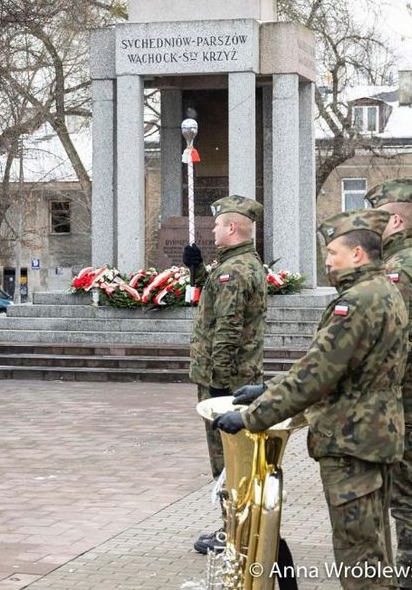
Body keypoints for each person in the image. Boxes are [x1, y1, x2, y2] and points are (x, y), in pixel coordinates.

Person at [214, 209, 407, 590]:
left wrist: (254, 417)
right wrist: (268, 388)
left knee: (359, 555)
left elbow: (316, 375)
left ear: (357, 254)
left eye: (333, 252)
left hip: (351, 439)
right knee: (374, 547)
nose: (327, 260)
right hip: (373, 434)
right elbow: (330, 365)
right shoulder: (382, 290)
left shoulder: (356, 303)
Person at [365, 178, 412, 587]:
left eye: (375, 216)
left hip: (404, 399)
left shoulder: (401, 268)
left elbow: (399, 342)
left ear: (394, 220)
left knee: (408, 496)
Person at [181, 195, 267, 555]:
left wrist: (217, 385)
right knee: (236, 459)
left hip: (227, 381)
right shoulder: (241, 264)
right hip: (236, 377)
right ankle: (240, 527)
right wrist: (198, 270)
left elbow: (228, 329)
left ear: (232, 227)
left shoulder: (235, 271)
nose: (212, 229)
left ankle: (235, 532)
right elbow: (223, 306)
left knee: (228, 460)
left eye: (217, 224)